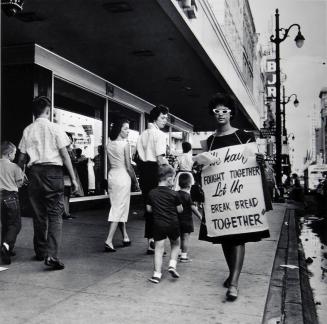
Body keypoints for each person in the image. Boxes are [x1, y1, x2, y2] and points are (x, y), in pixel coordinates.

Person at [199, 92, 270, 301]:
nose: (220, 114)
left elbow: (255, 166)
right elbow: (207, 170)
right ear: (213, 114)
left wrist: (260, 160)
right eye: (216, 111)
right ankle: (232, 273)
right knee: (224, 237)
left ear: (231, 113)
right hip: (220, 198)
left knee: (238, 236)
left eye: (224, 110)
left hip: (241, 196)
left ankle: (234, 283)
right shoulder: (210, 142)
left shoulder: (244, 137)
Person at [17, 96, 78, 270]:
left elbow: (21, 156)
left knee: (38, 213)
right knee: (55, 214)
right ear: (48, 111)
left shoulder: (28, 130)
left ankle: (40, 251)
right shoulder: (55, 128)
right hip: (53, 173)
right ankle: (52, 255)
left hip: (34, 172)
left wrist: (20, 174)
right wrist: (73, 178)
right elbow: (65, 155)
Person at [136, 105, 169, 254]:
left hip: (144, 172)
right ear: (155, 118)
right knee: (160, 208)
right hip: (156, 172)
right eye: (162, 117)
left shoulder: (142, 134)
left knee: (149, 208)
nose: (165, 121)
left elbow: (138, 156)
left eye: (166, 118)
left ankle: (150, 242)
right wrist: (169, 171)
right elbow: (160, 158)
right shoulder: (160, 135)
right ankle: (157, 244)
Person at [104, 119, 137, 252]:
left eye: (128, 128)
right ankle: (109, 240)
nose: (127, 131)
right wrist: (135, 181)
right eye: (125, 128)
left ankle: (125, 236)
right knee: (119, 208)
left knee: (117, 206)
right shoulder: (125, 144)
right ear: (119, 129)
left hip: (112, 175)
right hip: (123, 177)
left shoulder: (109, 144)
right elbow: (129, 167)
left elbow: (109, 164)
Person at [146, 165, 183, 283]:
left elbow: (149, 209)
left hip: (158, 225)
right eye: (173, 178)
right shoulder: (174, 194)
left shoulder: (152, 193)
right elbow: (180, 210)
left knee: (158, 249)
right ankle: (172, 264)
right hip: (173, 223)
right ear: (169, 179)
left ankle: (156, 274)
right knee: (176, 244)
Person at [0, 141, 24, 264]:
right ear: (9, 154)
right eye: (14, 153)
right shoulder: (15, 167)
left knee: (5, 223)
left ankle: (6, 248)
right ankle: (6, 246)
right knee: (15, 224)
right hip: (11, 197)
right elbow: (20, 183)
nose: (15, 156)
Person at [177, 173, 202, 262]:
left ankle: (180, 253)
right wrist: (200, 216)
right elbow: (193, 208)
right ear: (189, 185)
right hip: (186, 221)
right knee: (186, 238)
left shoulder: (176, 194)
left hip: (177, 220)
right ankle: (184, 256)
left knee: (180, 237)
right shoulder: (187, 196)